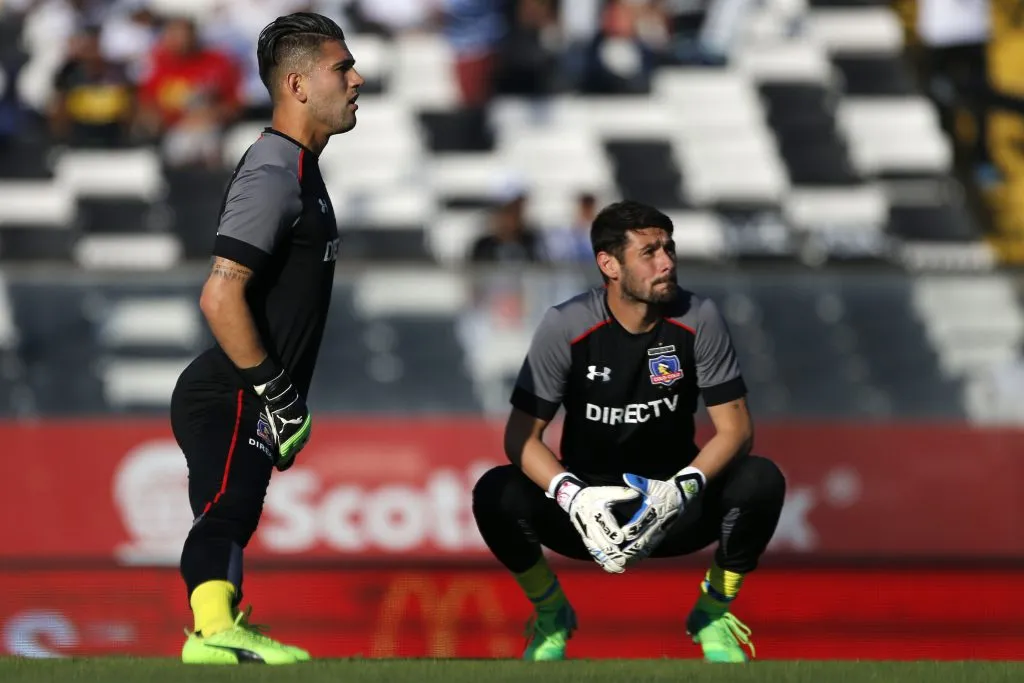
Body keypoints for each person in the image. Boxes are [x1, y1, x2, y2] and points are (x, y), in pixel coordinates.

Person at [471, 200, 786, 663]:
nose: (666, 263)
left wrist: (681, 489)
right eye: (649, 253)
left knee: (761, 480)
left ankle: (713, 613)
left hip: (674, 507)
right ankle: (551, 612)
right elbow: (520, 438)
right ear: (610, 265)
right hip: (588, 515)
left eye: (669, 249)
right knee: (494, 492)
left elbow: (736, 430)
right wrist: (573, 497)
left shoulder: (699, 317)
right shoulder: (566, 324)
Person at [169, 12, 363, 665]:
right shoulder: (275, 170)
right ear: (298, 85)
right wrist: (276, 393)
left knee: (233, 511)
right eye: (342, 68)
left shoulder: (299, 166)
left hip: (245, 389)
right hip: (231, 389)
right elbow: (219, 295)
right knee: (230, 507)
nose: (357, 79)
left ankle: (215, 628)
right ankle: (212, 633)